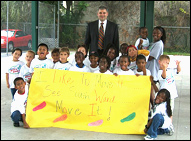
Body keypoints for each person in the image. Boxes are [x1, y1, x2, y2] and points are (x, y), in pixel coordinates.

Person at [157, 55, 181, 122]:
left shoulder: (171, 70)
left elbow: (178, 70)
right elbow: (164, 77)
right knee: (163, 109)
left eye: (167, 63)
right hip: (164, 95)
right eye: (164, 62)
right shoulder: (159, 72)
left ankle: (169, 123)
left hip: (172, 93)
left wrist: (178, 64)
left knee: (170, 109)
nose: (166, 64)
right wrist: (164, 69)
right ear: (160, 62)